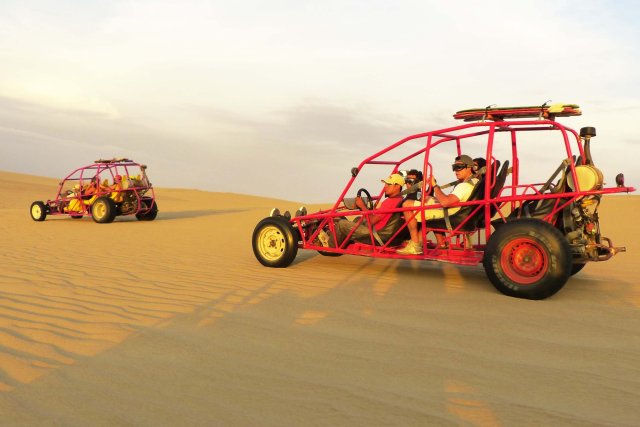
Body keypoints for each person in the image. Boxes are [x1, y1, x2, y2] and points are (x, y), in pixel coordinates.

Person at [397, 155, 479, 255]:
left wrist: (434, 185)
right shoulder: (475, 182)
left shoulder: (464, 186)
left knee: (407, 204)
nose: (455, 171)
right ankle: (440, 243)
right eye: (454, 167)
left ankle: (415, 244)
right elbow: (452, 200)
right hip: (459, 212)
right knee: (428, 199)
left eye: (459, 167)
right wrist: (434, 198)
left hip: (451, 216)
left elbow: (445, 202)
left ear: (469, 167)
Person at [318, 173, 406, 248]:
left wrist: (362, 206)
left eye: (389, 184)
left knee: (342, 224)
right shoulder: (400, 200)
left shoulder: (390, 202)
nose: (385, 187)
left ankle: (330, 245)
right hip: (385, 234)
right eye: (385, 184)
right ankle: (341, 239)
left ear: (397, 186)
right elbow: (382, 217)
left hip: (377, 236)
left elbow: (372, 221)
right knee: (358, 219)